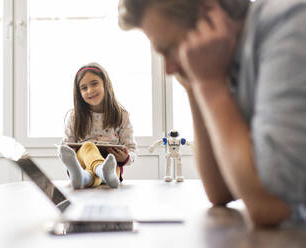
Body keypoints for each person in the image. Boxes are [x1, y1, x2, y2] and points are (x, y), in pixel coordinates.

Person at [118, 0, 306, 226]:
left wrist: (210, 86)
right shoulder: (235, 60)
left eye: (169, 49)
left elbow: (269, 204)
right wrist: (194, 85)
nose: (168, 69)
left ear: (208, 14)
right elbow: (219, 191)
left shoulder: (289, 25)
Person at [58, 62, 137, 189]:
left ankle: (84, 177)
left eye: (94, 83)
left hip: (110, 165)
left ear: (106, 84)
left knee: (110, 162)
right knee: (89, 147)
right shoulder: (74, 117)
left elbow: (132, 149)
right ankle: (99, 171)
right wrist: (73, 151)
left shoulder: (122, 115)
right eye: (84, 88)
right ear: (79, 93)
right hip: (83, 161)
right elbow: (65, 148)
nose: (90, 90)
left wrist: (125, 157)